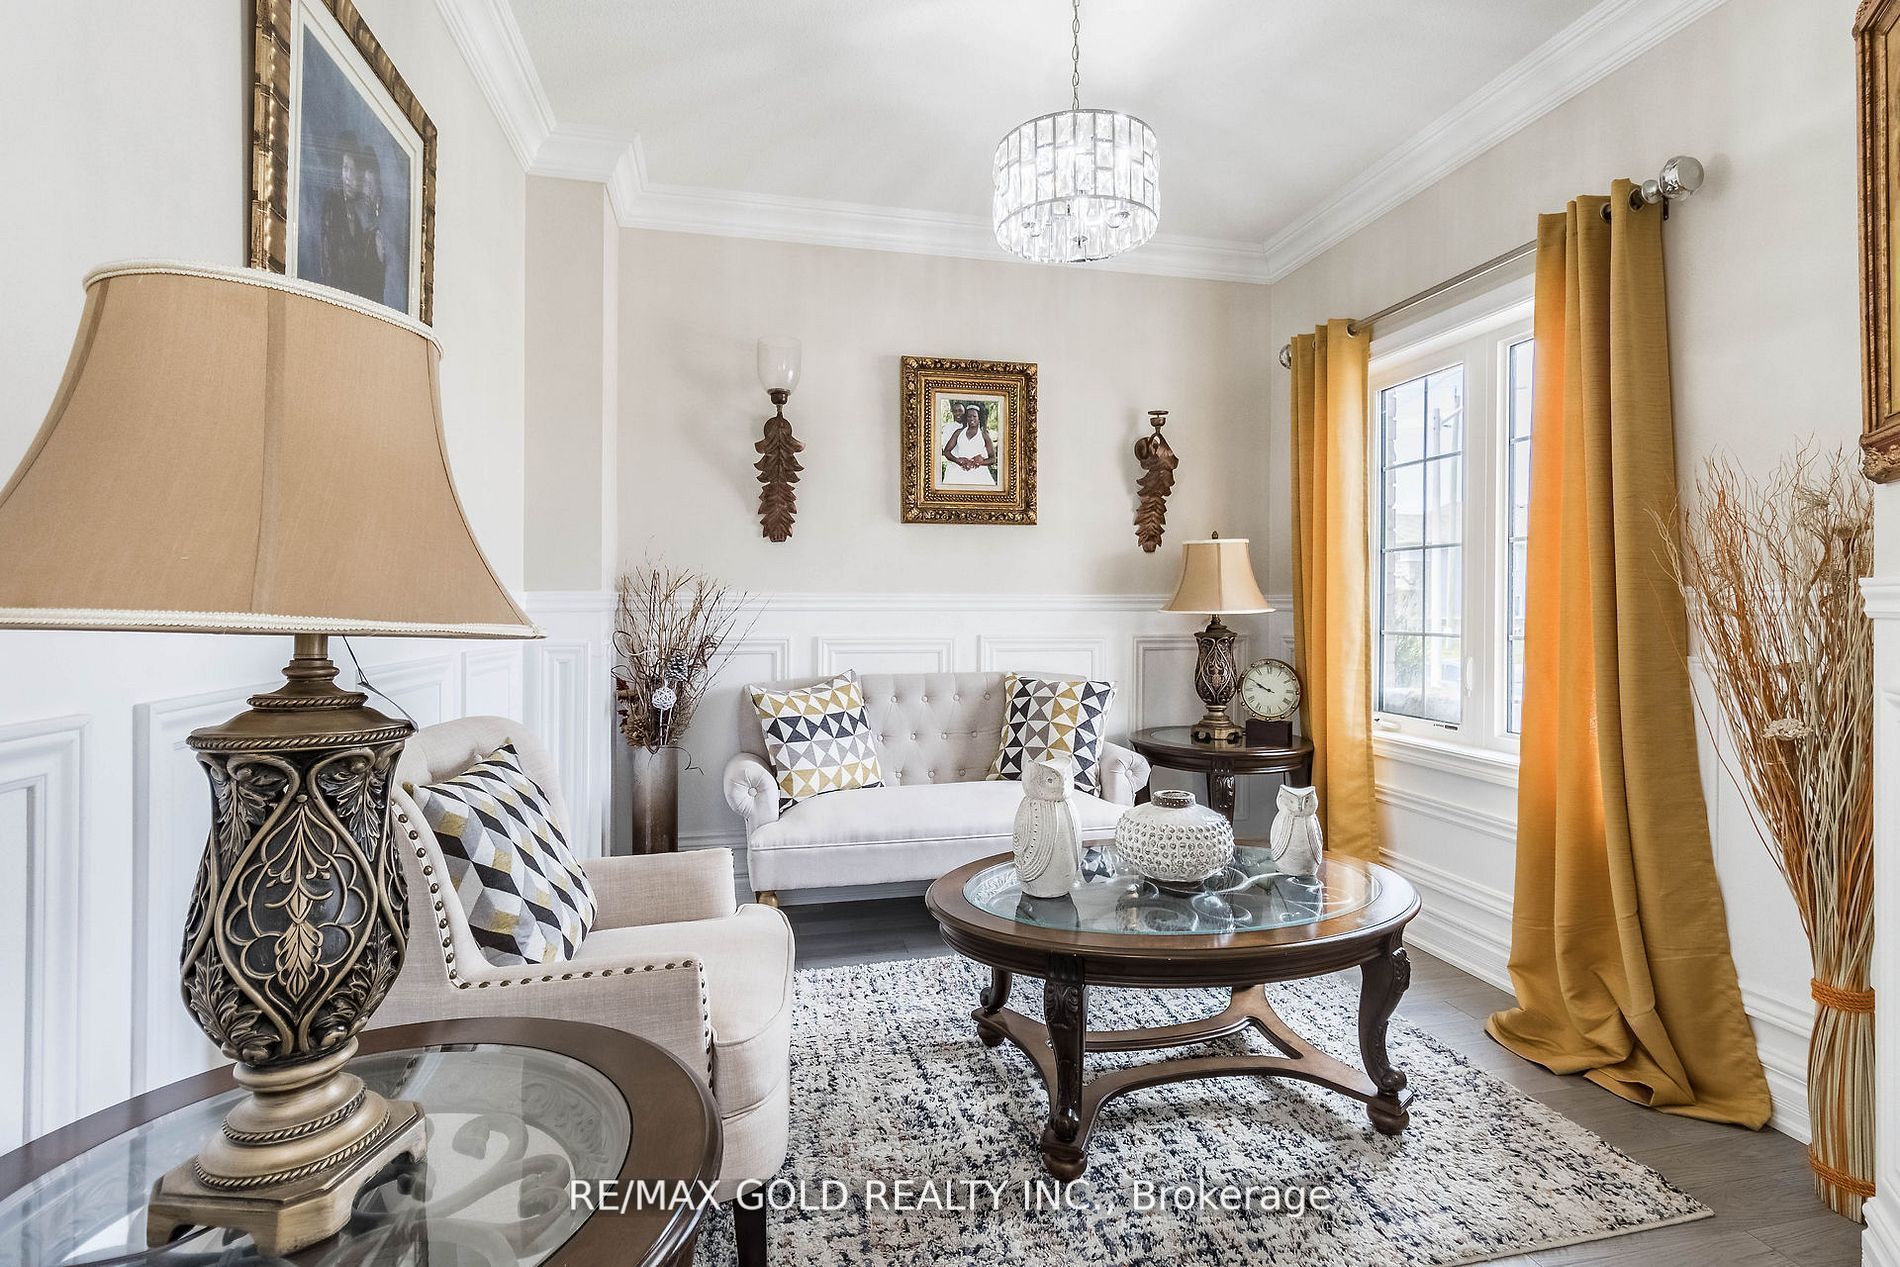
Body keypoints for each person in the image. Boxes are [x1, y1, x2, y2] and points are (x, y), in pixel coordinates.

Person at [315, 131, 391, 306]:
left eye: (353, 169)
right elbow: (328, 262)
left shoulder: (360, 218)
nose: (348, 176)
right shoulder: (332, 203)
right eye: (345, 168)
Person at [940, 403, 998, 488]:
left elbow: (993, 459)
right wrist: (958, 460)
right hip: (959, 472)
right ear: (966, 418)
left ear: (979, 418)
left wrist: (980, 462)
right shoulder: (958, 433)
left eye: (974, 416)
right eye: (969, 416)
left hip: (979, 474)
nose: (972, 419)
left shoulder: (984, 435)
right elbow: (946, 451)